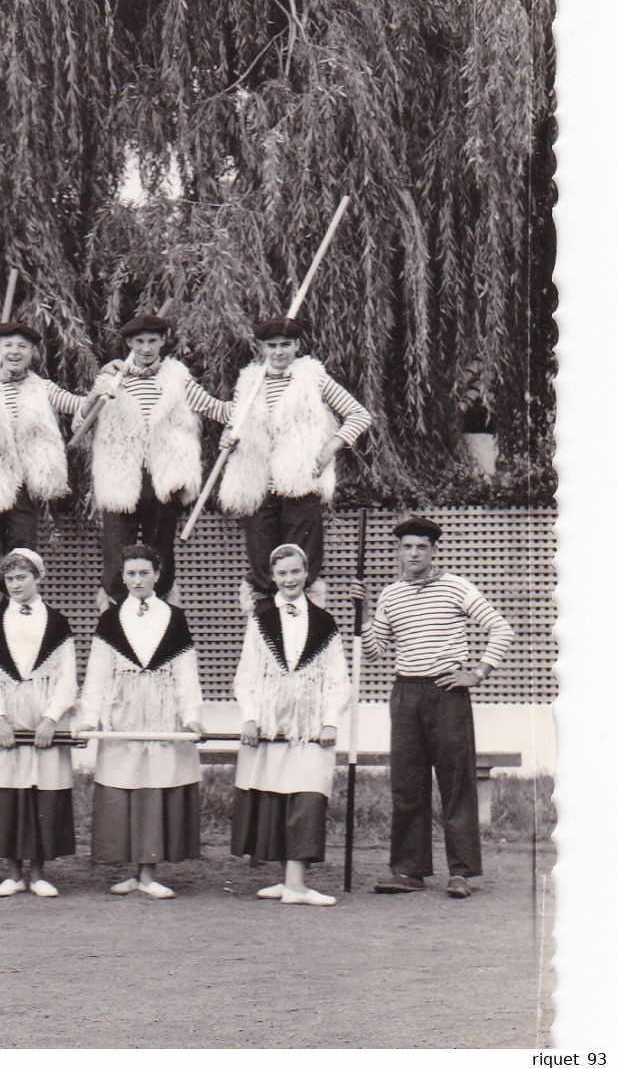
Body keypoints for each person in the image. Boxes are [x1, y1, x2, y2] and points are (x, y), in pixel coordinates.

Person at [353, 516, 514, 899]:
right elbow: (375, 652)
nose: (414, 553)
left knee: (456, 783)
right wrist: (363, 611)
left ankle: (462, 873)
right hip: (406, 694)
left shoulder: (456, 586)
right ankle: (408, 871)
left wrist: (477, 672)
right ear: (399, 551)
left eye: (421, 547)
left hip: (446, 692)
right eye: (407, 547)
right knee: (407, 784)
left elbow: (501, 629)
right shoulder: (391, 595)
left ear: (433, 550)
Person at [74, 544, 204, 899]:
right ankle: (133, 871)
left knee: (155, 787)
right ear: (122, 577)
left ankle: (149, 874)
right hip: (124, 716)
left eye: (144, 573)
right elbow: (97, 675)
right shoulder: (110, 620)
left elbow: (186, 673)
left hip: (163, 716)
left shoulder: (174, 617)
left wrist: (191, 717)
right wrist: (89, 719)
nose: (137, 580)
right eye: (130, 573)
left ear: (157, 575)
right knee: (127, 783)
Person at [217, 317, 372, 613]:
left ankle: (306, 626)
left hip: (301, 481)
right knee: (262, 563)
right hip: (259, 484)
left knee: (303, 561)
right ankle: (266, 631)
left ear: (297, 345)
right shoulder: (249, 383)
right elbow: (236, 422)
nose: (279, 352)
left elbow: (359, 415)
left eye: (286, 345)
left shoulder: (314, 379)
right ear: (261, 348)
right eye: (271, 346)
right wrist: (229, 437)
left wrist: (330, 446)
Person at [80, 315, 230, 606]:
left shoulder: (178, 379)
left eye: (152, 341)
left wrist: (249, 401)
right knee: (116, 550)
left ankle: (160, 613)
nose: (146, 348)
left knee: (159, 550)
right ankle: (116, 617)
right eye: (139, 341)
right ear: (129, 343)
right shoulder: (113, 379)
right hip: (121, 474)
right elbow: (79, 425)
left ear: (163, 341)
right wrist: (96, 394)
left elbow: (217, 410)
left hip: (163, 475)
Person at [231, 544, 349, 907]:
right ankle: (288, 881)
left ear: (307, 572)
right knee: (276, 798)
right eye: (282, 573)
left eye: (296, 571)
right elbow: (246, 676)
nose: (290, 579)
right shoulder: (260, 619)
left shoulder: (325, 622)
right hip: (271, 725)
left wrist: (330, 722)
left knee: (307, 796)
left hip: (310, 727)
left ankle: (297, 884)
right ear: (273, 577)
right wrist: (250, 717)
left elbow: (337, 679)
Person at [0, 549, 78, 898]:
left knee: (42, 792)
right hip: (7, 716)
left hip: (43, 714)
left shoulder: (58, 623)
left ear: (37, 578)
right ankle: (13, 874)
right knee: (7, 793)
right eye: (10, 579)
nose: (15, 585)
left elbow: (67, 677)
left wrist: (51, 719)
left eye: (22, 578)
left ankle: (40, 872)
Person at [0, 323, 84, 597]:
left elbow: (79, 406)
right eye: (8, 345)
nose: (15, 351)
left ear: (33, 352)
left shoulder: (42, 388)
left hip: (22, 487)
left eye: (22, 346)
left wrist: (106, 384)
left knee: (20, 565)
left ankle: (16, 627)